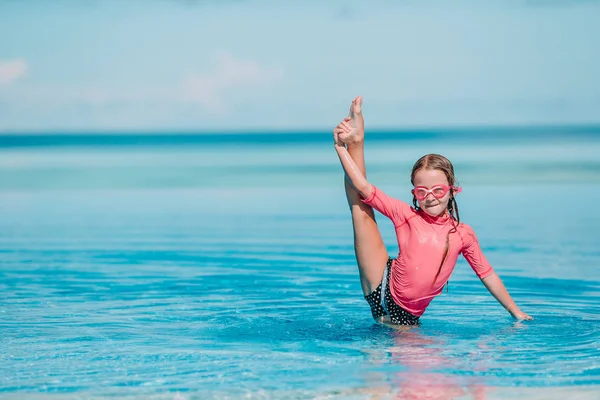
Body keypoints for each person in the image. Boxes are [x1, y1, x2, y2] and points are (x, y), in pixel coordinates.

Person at [333, 96, 532, 326]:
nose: (429, 198)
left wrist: (514, 311)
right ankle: (356, 140)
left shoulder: (462, 235)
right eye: (422, 191)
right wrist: (339, 148)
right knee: (360, 207)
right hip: (382, 278)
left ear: (453, 191)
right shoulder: (406, 215)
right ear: (414, 194)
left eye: (438, 190)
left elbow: (486, 274)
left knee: (403, 357)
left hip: (405, 315)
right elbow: (363, 186)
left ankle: (355, 141)